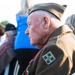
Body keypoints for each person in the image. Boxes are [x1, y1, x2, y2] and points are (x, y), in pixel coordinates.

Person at [22, 3, 75, 75]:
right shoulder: (67, 38)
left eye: (29, 24)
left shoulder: (55, 48)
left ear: (46, 22)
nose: (26, 31)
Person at [14, 0, 39, 75]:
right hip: (33, 43)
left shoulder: (18, 15)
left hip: (19, 44)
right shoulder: (36, 14)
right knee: (34, 68)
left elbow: (18, 28)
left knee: (22, 68)